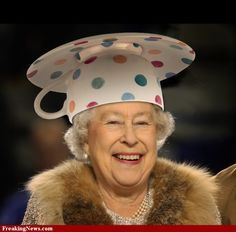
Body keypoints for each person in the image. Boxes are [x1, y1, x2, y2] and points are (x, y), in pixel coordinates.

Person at [22, 32, 223, 225]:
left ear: (158, 133)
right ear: (84, 139)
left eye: (142, 123)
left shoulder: (194, 202)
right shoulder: (52, 205)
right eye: (113, 122)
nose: (130, 137)